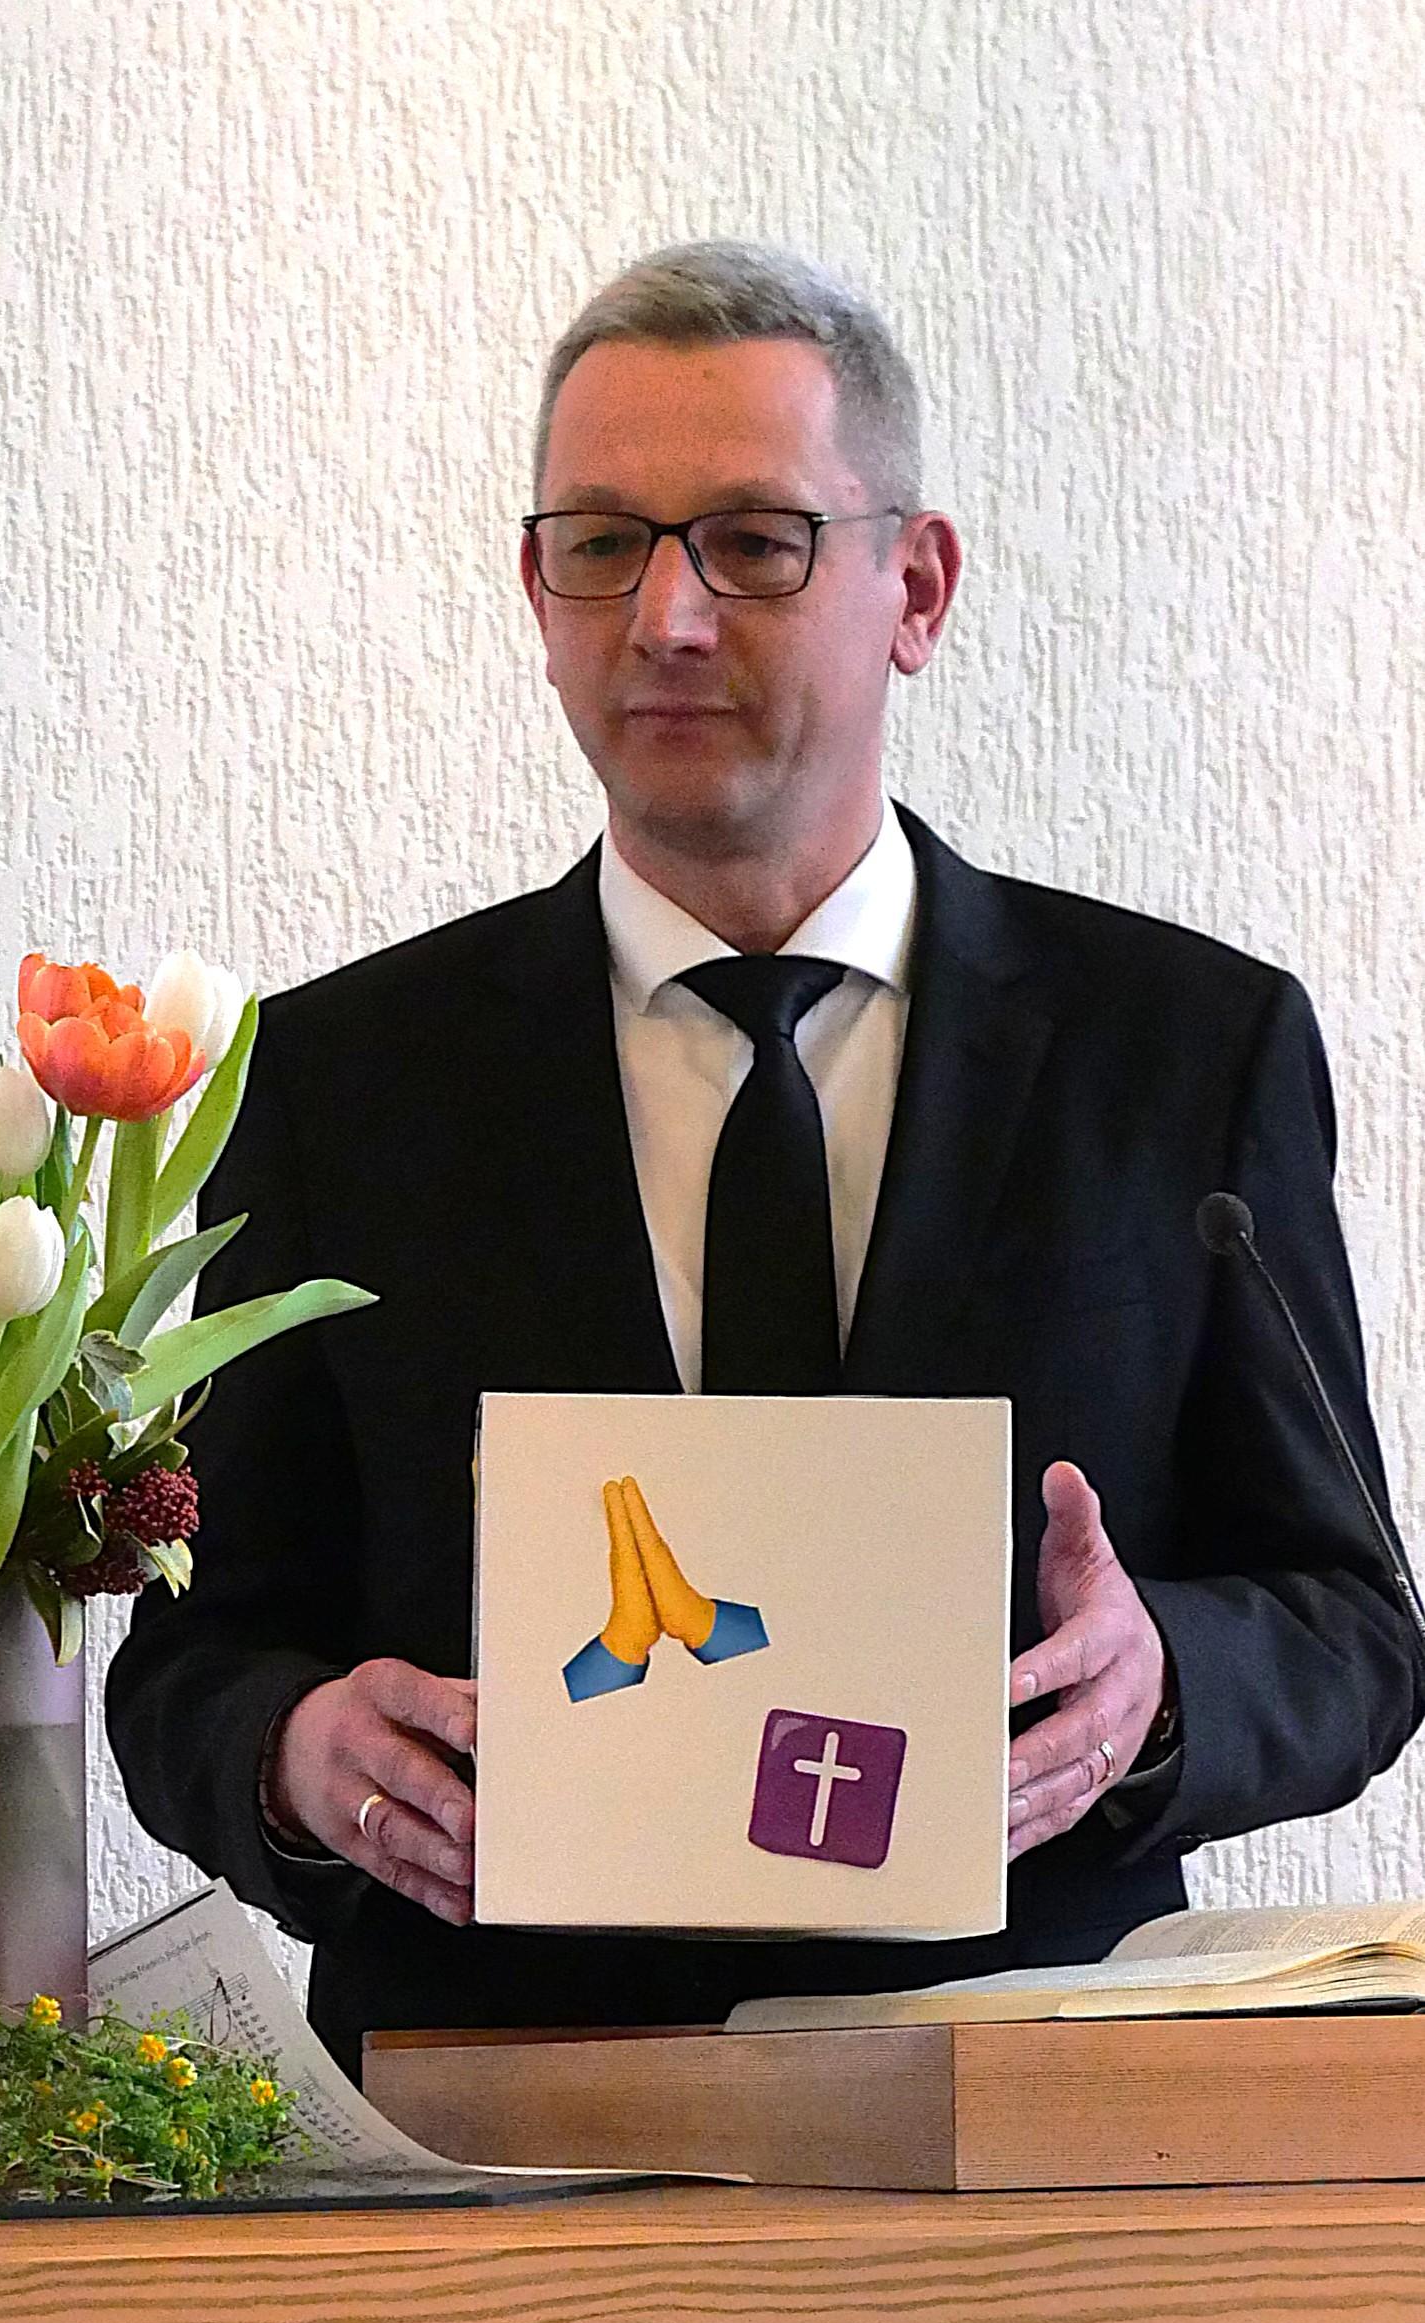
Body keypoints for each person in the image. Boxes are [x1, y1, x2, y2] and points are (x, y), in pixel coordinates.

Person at [105, 240, 1422, 2077]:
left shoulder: (1184, 1050)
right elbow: (195, 1652)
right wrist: (296, 1756)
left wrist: (1158, 1684)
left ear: (917, 587)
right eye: (602, 543)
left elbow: (1352, 1622)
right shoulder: (336, 1077)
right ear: (536, 588)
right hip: (493, 2123)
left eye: (752, 542)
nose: (666, 616)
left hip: (1024, 2112)